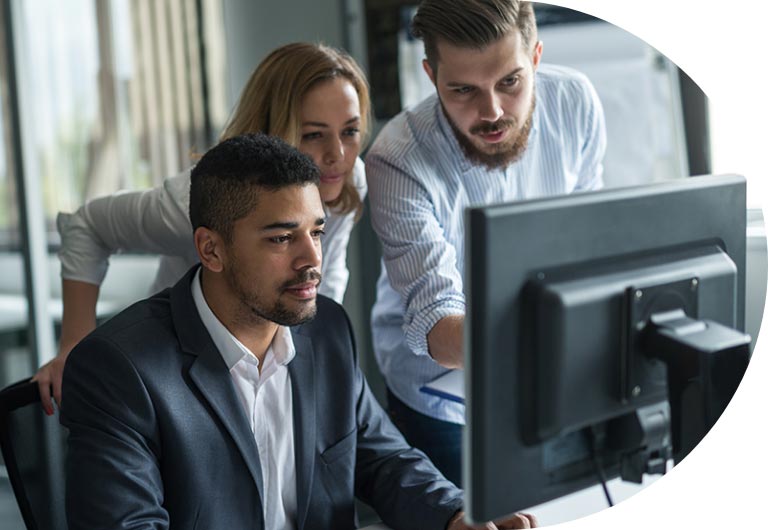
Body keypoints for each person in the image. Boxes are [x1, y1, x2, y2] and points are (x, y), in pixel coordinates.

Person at [60, 133, 537, 530]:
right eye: (282, 238)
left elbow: (384, 458)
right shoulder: (118, 369)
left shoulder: (325, 329)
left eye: (317, 232)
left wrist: (457, 516)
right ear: (211, 250)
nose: (312, 260)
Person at [34, 42, 370, 415]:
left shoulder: (347, 178)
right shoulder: (197, 202)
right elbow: (88, 225)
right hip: (176, 367)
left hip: (264, 358)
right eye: (314, 135)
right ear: (276, 128)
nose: (338, 154)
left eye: (350, 131)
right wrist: (74, 347)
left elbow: (327, 278)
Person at [366, 0, 607, 485]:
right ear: (432, 76)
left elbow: (587, 240)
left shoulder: (575, 102)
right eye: (463, 90)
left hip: (554, 376)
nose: (492, 111)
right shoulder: (397, 158)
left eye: (510, 82)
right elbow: (435, 319)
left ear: (535, 56)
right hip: (441, 397)